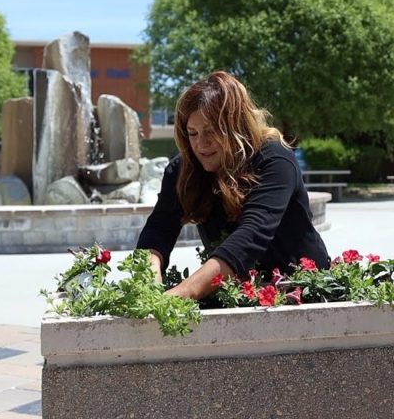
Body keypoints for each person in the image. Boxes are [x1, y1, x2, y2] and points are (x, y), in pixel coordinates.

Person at [137, 71, 331, 300]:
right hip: (234, 291)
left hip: (303, 291)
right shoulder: (182, 171)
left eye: (211, 131)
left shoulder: (275, 160)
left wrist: (182, 293)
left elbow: (252, 233)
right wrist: (148, 281)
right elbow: (159, 228)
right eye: (192, 133)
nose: (201, 144)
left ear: (235, 127)